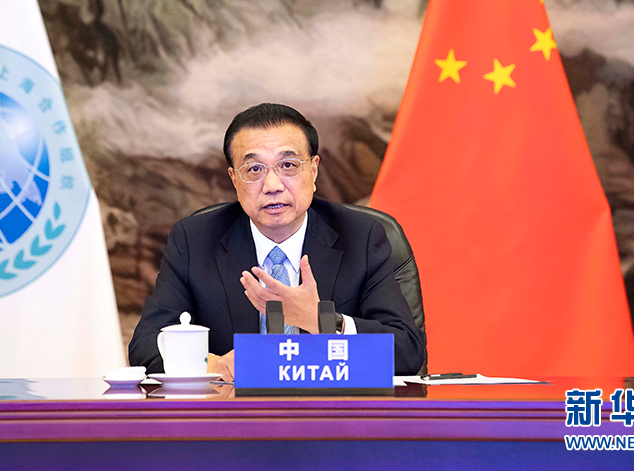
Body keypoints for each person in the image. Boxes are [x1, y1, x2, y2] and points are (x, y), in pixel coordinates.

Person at [128, 103, 426, 380]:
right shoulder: (195, 240)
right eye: (254, 169)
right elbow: (145, 346)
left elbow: (407, 352)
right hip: (234, 414)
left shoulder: (360, 237)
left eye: (288, 165)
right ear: (234, 179)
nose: (272, 185)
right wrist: (215, 365)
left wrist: (322, 321)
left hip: (332, 412)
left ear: (313, 170)